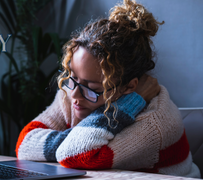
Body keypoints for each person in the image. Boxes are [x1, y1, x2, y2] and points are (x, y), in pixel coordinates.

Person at [15, 0, 201, 178]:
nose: (74, 96)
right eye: (72, 78)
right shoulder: (74, 91)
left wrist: (130, 103)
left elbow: (74, 154)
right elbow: (24, 144)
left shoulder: (156, 123)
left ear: (129, 87)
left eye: (92, 88)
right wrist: (70, 137)